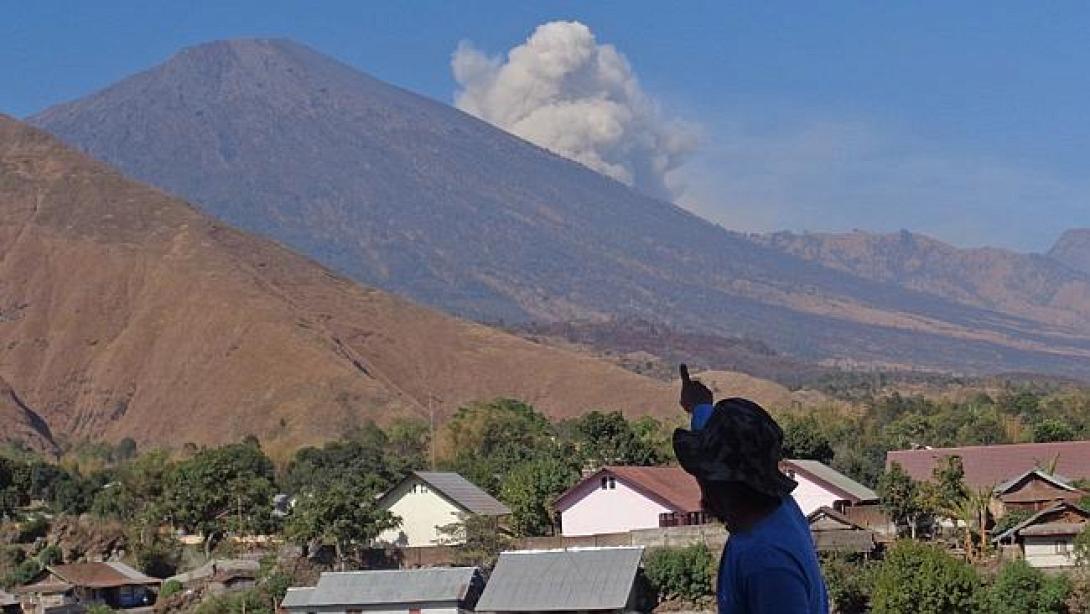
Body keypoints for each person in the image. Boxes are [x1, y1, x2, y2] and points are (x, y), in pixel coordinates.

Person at [674, 365, 828, 614]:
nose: (699, 481)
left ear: (721, 480)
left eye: (702, 471)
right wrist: (699, 405)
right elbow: (727, 440)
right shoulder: (782, 507)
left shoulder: (766, 564)